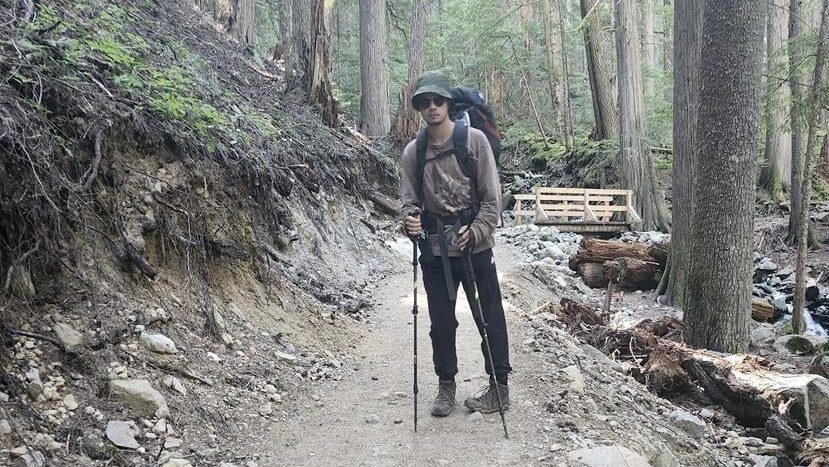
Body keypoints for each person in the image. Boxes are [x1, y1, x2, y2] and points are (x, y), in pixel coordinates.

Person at [400, 71, 512, 417]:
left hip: (476, 251)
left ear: (449, 104)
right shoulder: (413, 153)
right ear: (418, 108)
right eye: (424, 103)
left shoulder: (474, 142)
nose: (431, 107)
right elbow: (408, 202)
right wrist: (410, 221)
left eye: (437, 101)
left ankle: (499, 389)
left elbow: (493, 200)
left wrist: (476, 231)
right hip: (435, 253)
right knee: (442, 323)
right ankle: (445, 386)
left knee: (488, 317)